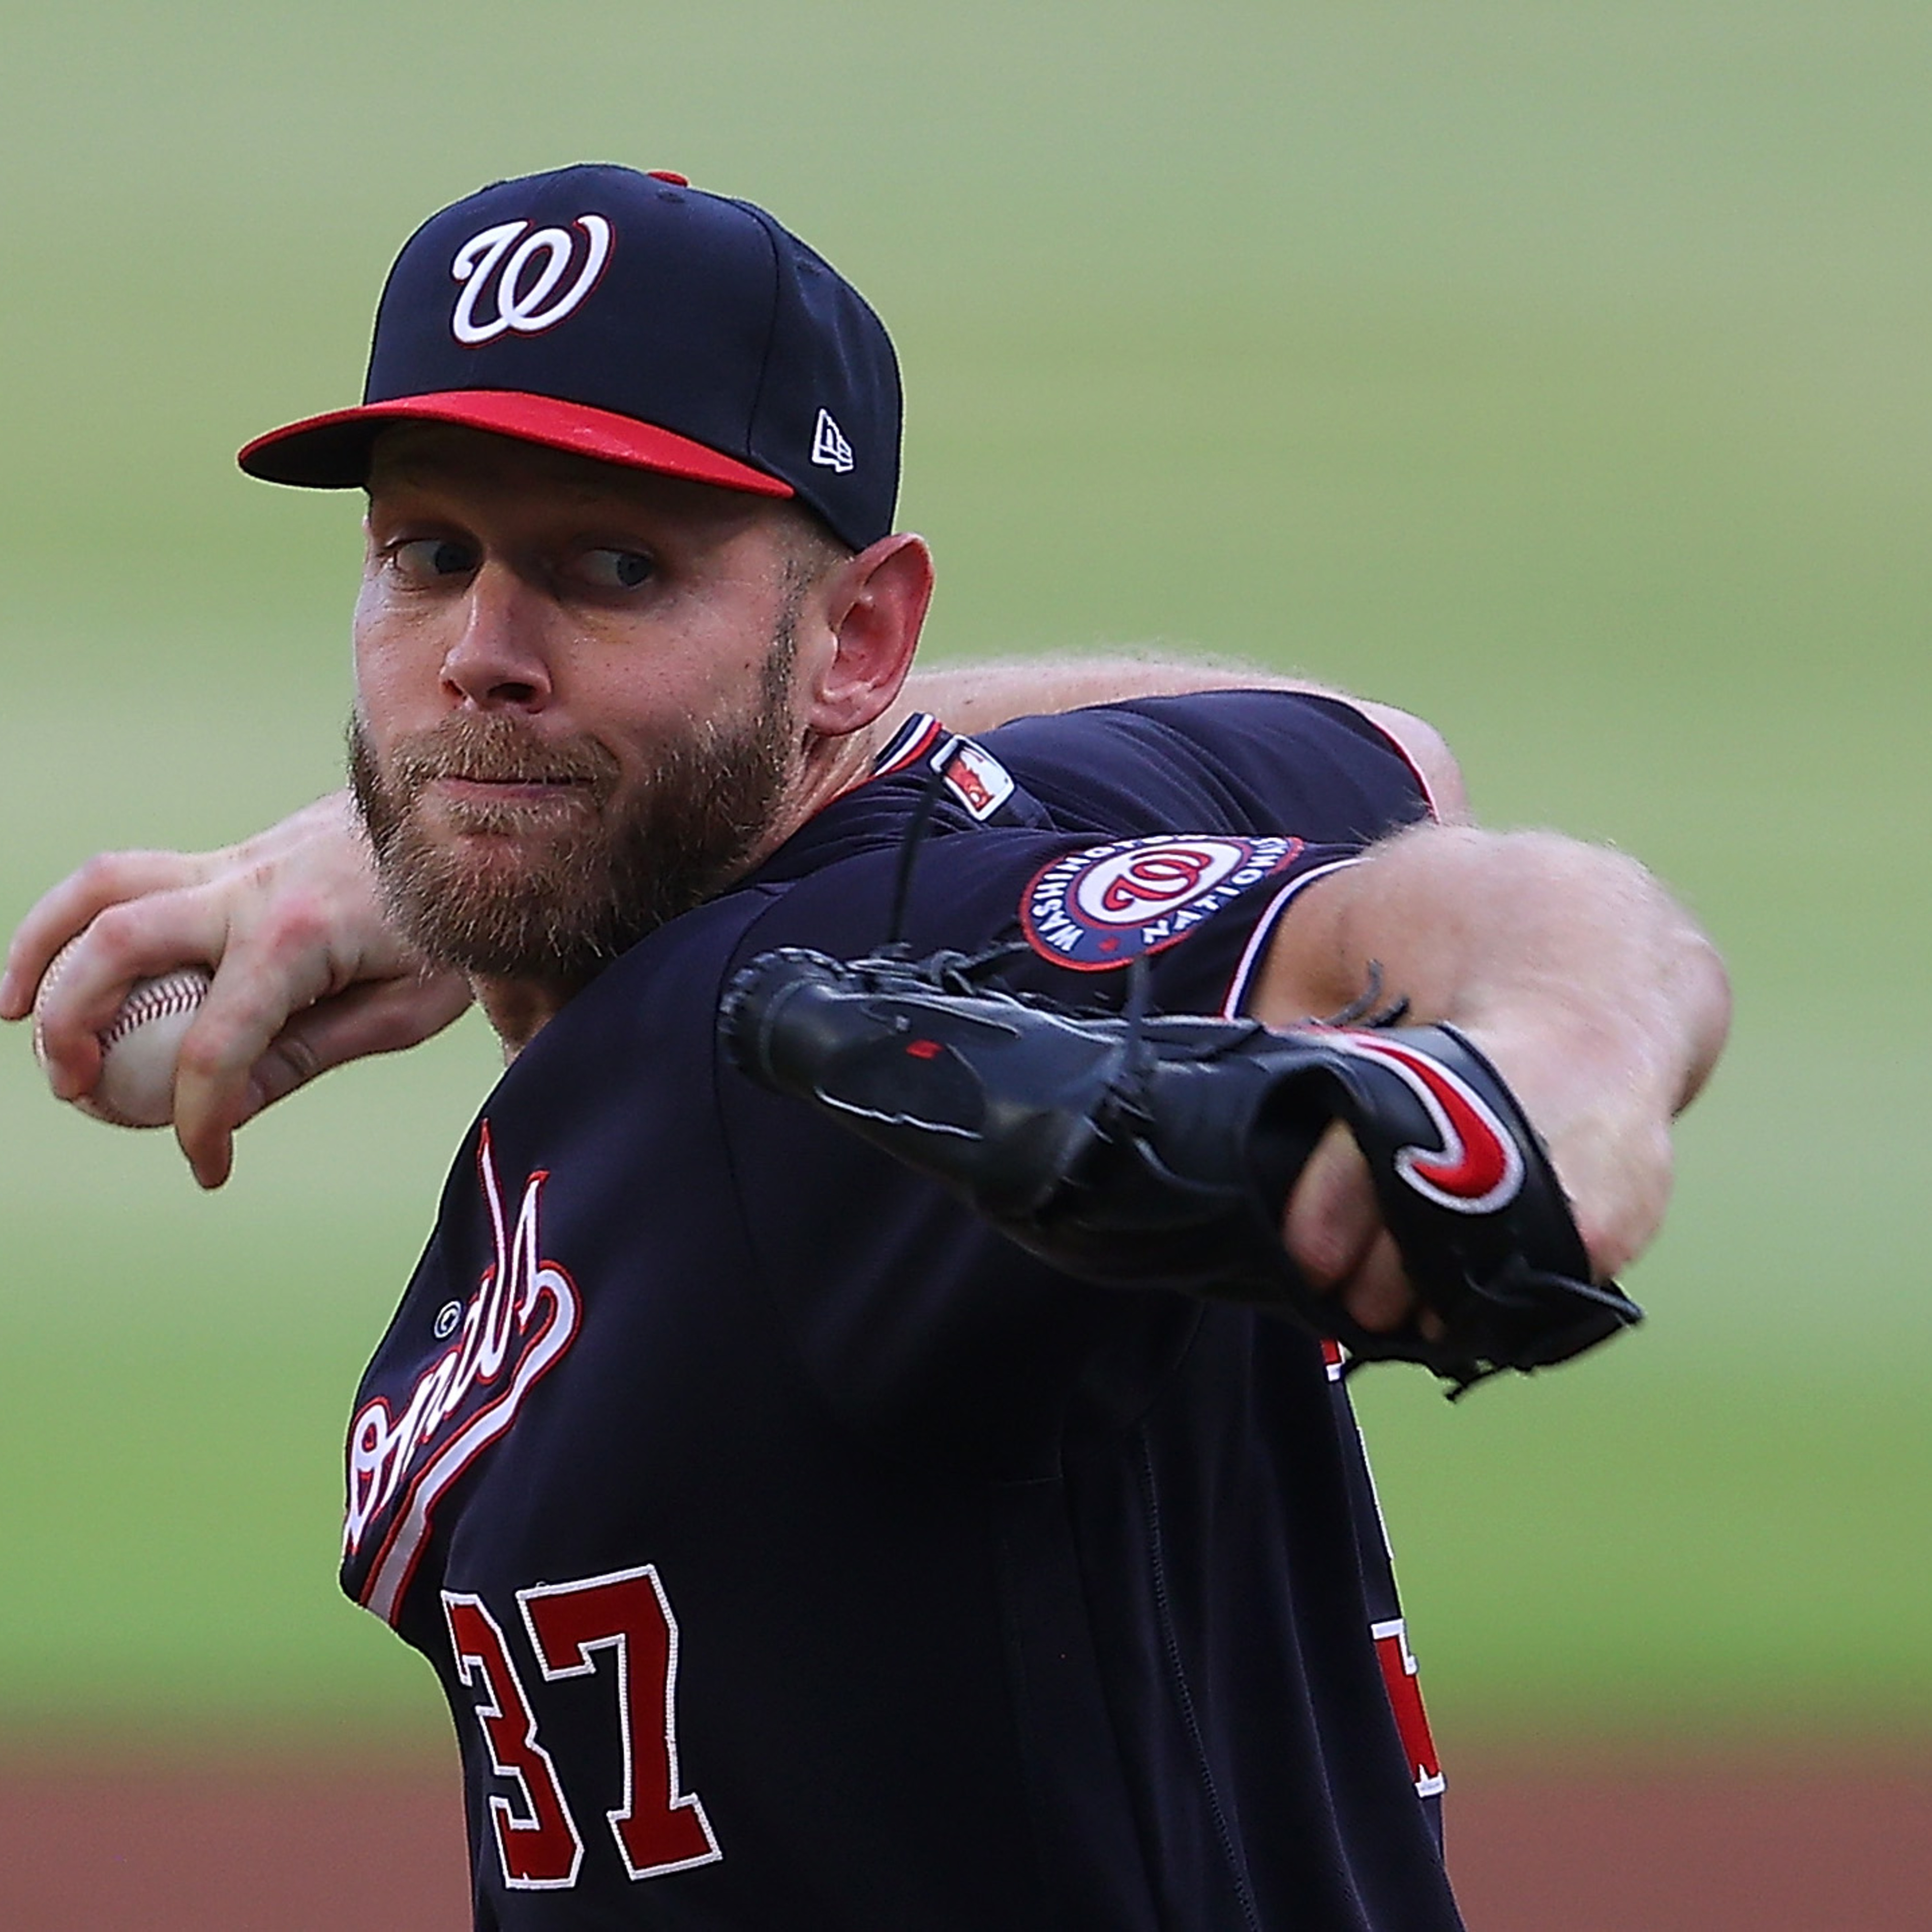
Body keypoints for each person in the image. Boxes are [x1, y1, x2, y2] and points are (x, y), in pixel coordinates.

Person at [3, 164, 1728, 1929]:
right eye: (430, 557)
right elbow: (1379, 753)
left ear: (860, 639)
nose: (481, 661)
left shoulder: (818, 1025)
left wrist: (1557, 1073)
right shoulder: (1013, 814)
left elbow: (1512, 908)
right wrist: (408, 842)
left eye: (614, 569)